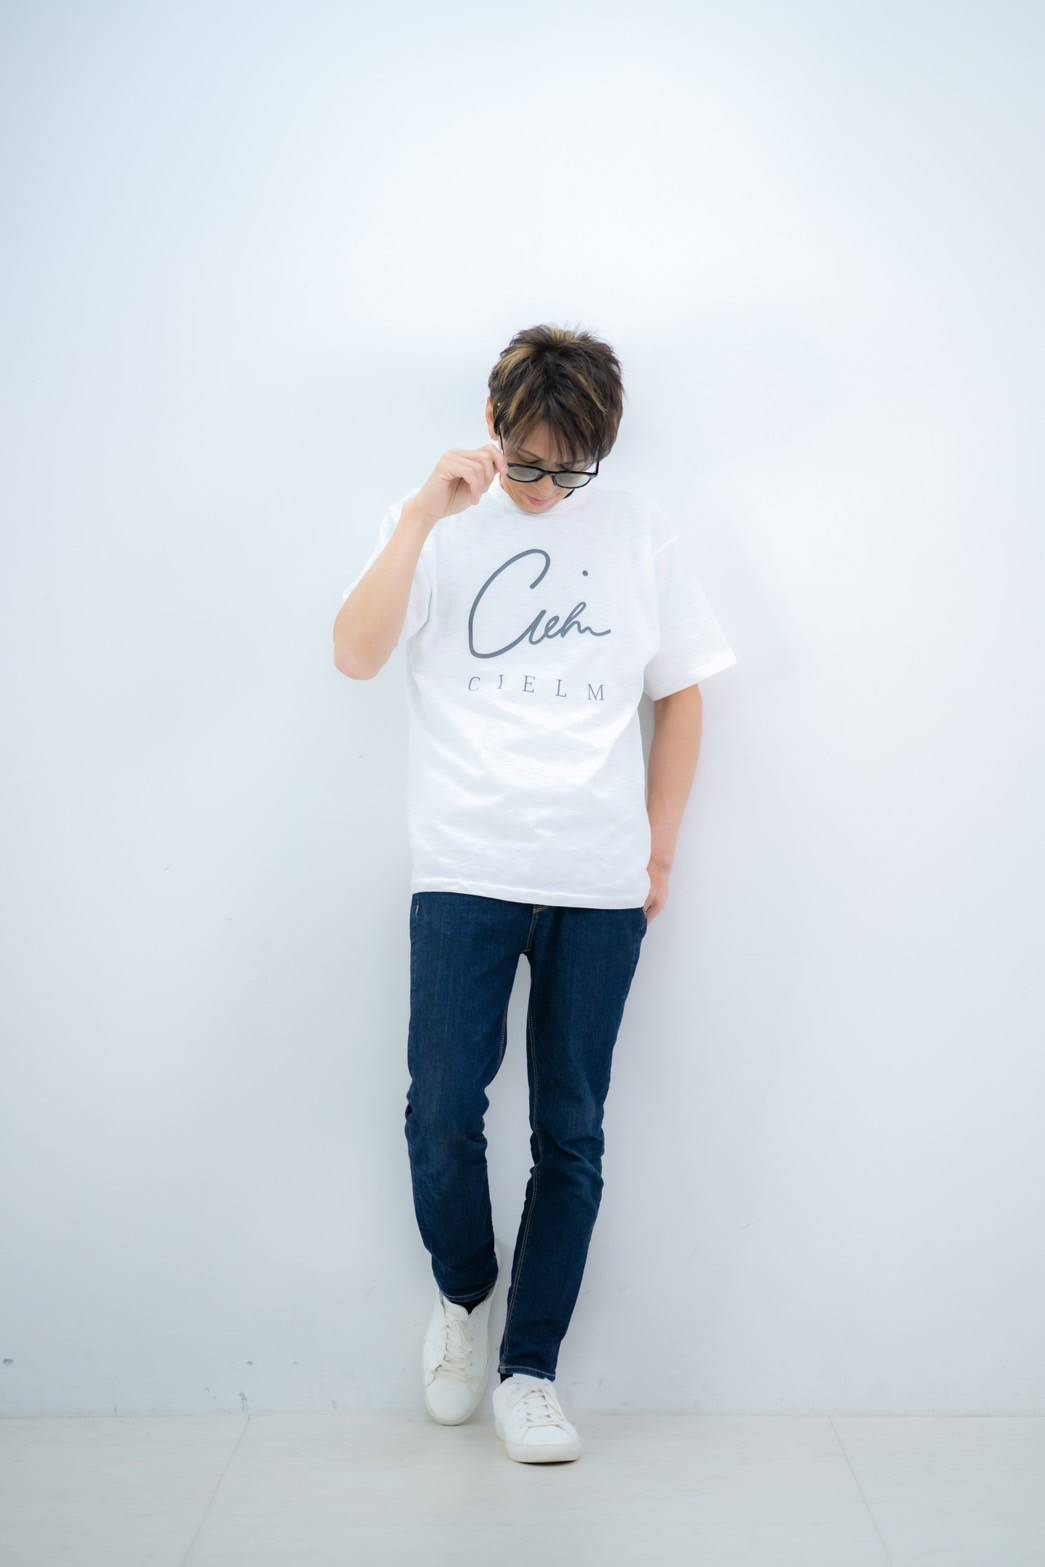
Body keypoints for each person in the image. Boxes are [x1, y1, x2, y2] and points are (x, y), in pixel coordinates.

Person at [333, 324, 737, 1463]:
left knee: (571, 1130)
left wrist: (659, 851)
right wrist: (421, 517)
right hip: (465, 866)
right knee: (439, 1114)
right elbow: (355, 654)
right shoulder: (436, 528)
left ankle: (531, 1370)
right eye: (528, 463)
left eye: (574, 470)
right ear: (492, 424)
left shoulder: (640, 530)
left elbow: (684, 693)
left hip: (597, 880)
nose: (548, 489)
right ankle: (464, 1294)